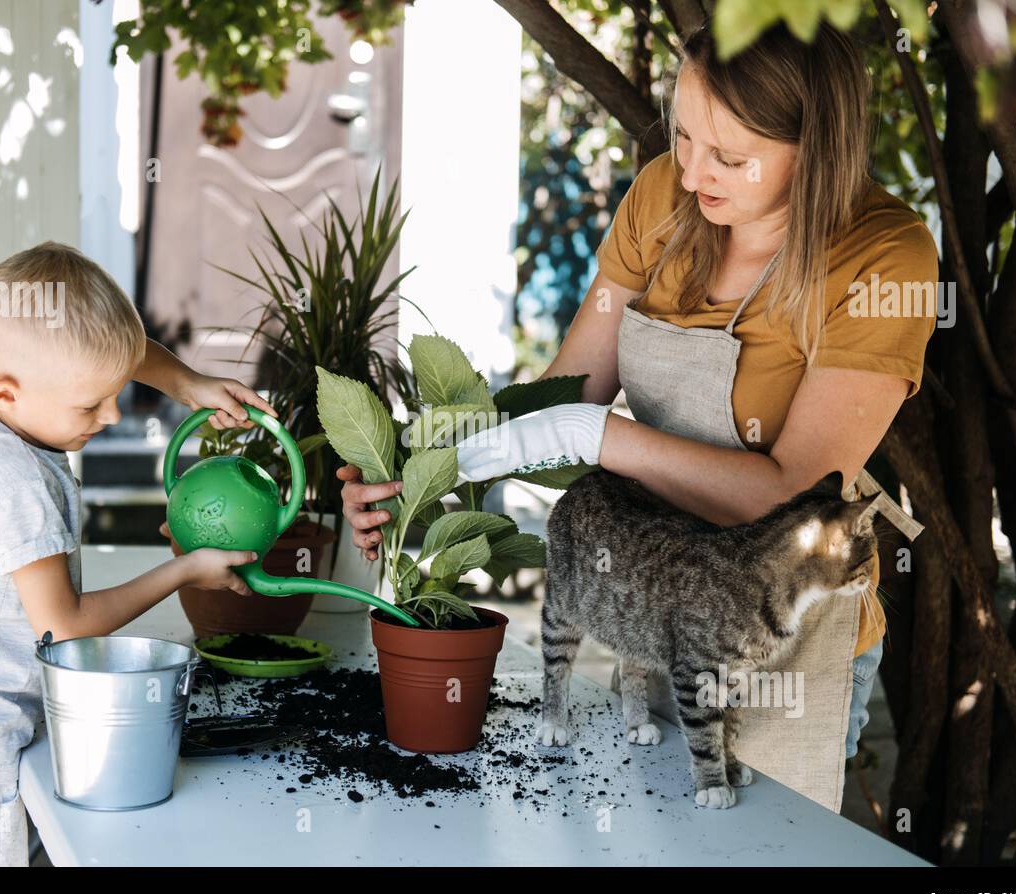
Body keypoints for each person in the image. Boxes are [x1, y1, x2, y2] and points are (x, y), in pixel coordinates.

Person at [338, 23, 937, 809]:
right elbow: (566, 392)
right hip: (647, 607)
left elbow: (791, 498)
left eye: (728, 156)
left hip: (779, 645)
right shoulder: (662, 194)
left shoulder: (884, 261)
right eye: (684, 136)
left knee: (757, 846)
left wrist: (604, 441)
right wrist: (418, 458)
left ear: (817, 145)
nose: (691, 174)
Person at [0, 241, 273, 865]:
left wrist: (190, 384)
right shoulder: (9, 483)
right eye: (90, 404)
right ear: (10, 394)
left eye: (113, 392)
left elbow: (116, 350)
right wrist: (185, 570)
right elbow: (63, 626)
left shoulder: (2, 408)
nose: (112, 414)